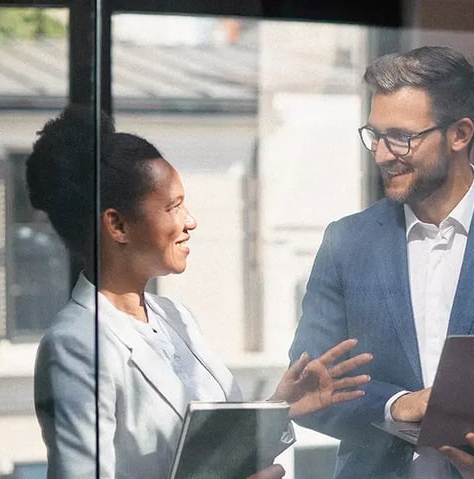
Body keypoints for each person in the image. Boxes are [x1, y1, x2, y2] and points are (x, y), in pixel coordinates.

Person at [28, 106, 373, 479]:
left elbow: (214, 454)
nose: (190, 221)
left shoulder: (176, 317)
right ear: (117, 225)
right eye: (173, 207)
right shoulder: (76, 344)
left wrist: (281, 407)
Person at [289, 46, 474, 478]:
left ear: (460, 134)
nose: (382, 154)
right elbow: (309, 386)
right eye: (374, 135)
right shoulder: (345, 242)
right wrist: (396, 405)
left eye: (401, 137)